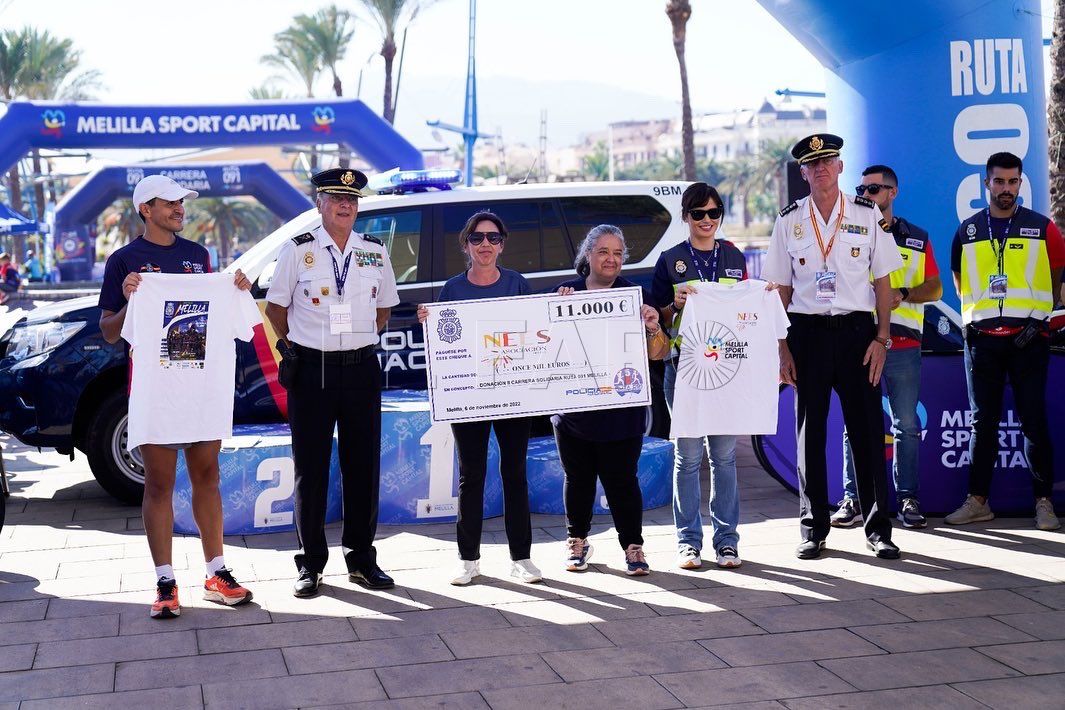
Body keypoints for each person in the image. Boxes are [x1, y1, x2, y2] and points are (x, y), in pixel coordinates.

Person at [97, 174, 254, 619]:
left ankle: (216, 571)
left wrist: (234, 288)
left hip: (200, 386)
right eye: (172, 203)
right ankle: (165, 580)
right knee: (160, 483)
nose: (181, 209)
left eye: (183, 203)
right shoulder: (123, 261)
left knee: (208, 475)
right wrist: (128, 301)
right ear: (146, 209)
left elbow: (209, 313)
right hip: (155, 388)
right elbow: (110, 332)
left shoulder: (198, 256)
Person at [762, 134, 904, 560]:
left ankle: (878, 528)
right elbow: (781, 290)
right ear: (802, 173)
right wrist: (782, 348)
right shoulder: (788, 221)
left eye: (828, 160)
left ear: (840, 167)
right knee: (811, 432)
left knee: (866, 430)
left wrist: (882, 338)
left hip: (859, 334)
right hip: (807, 333)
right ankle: (812, 528)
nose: (821, 168)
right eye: (812, 163)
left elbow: (883, 281)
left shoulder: (867, 214)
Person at [265, 167, 400, 598]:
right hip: (313, 371)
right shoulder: (298, 251)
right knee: (312, 469)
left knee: (363, 468)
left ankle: (362, 560)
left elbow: (384, 309)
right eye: (336, 198)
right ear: (319, 204)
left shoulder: (374, 251)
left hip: (360, 368)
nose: (346, 205)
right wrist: (301, 347)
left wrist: (357, 338)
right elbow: (276, 310)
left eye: (352, 200)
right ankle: (311, 565)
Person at [416, 211, 542, 586]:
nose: (485, 244)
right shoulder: (452, 290)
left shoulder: (518, 283)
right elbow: (445, 342)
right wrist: (429, 320)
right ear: (466, 244)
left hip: (513, 396)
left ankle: (521, 558)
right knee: (471, 476)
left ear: (502, 243)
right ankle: (468, 559)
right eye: (477, 238)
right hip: (469, 397)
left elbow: (536, 332)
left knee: (514, 474)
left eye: (492, 237)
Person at [946, 151, 1064, 531]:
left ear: (1020, 184)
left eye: (1013, 182)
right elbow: (960, 282)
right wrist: (976, 322)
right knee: (983, 423)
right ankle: (978, 501)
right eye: (999, 182)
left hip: (1028, 338)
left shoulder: (1043, 228)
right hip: (982, 342)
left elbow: (1057, 284)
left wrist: (1038, 322)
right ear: (987, 184)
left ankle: (1044, 504)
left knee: (1033, 420)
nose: (1006, 189)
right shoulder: (967, 230)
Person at [553, 225, 671, 576]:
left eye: (618, 253)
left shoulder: (635, 296)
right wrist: (555, 313)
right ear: (587, 255)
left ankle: (633, 547)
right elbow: (545, 347)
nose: (611, 259)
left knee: (623, 481)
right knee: (578, 479)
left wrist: (653, 328)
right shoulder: (564, 293)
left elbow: (659, 354)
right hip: (574, 412)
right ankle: (577, 541)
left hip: (623, 411)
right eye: (604, 251)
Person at [834, 165, 942, 530]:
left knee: (907, 425)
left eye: (875, 188)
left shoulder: (916, 236)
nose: (867, 193)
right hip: (860, 343)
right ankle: (852, 498)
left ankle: (907, 497)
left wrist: (904, 294)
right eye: (862, 188)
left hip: (904, 344)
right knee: (854, 424)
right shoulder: (848, 232)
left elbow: (937, 289)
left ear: (893, 193)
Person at [651, 182, 751, 570]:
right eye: (698, 214)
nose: (706, 220)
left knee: (724, 458)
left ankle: (727, 542)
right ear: (686, 216)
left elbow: (745, 315)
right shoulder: (670, 259)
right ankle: (688, 542)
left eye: (713, 213)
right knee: (688, 457)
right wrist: (670, 306)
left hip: (726, 372)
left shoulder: (735, 256)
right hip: (684, 369)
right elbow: (655, 316)